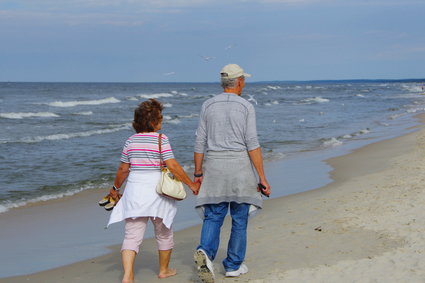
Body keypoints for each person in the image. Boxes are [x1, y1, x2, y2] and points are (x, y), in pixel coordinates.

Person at [105, 99, 200, 283]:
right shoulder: (161, 139)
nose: (162, 121)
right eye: (160, 118)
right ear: (154, 122)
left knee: (132, 235)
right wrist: (191, 184)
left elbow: (123, 170)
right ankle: (163, 270)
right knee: (164, 232)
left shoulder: (130, 141)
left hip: (135, 191)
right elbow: (172, 165)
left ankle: (127, 275)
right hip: (158, 192)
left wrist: (115, 189)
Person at [193, 64, 271, 282]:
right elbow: (252, 143)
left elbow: (200, 141)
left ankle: (206, 254)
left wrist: (198, 173)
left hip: (215, 168)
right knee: (239, 218)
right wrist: (262, 178)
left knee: (214, 215)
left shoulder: (208, 105)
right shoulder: (246, 106)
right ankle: (233, 265)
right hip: (239, 169)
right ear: (239, 82)